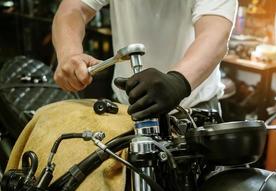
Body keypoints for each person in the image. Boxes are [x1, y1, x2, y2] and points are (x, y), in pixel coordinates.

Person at [52, 0, 237, 120]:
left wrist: (177, 81)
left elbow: (214, 35)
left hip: (193, 109)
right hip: (128, 109)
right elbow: (73, 9)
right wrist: (69, 54)